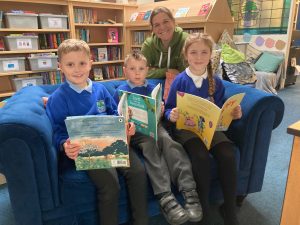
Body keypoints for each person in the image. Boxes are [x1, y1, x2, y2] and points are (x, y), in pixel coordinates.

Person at [46, 39, 148, 225]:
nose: (77, 69)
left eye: (82, 63)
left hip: (113, 142)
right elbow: (58, 132)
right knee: (110, 185)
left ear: (91, 63)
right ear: (60, 67)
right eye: (70, 64)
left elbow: (115, 114)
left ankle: (141, 221)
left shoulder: (100, 89)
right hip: (86, 150)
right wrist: (64, 145)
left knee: (138, 172)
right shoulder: (58, 98)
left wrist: (126, 126)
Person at [113, 52, 203, 225]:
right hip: (135, 133)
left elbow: (159, 114)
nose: (137, 72)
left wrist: (160, 112)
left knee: (170, 143)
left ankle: (189, 191)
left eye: (141, 69)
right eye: (132, 69)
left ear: (147, 70)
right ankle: (166, 198)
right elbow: (115, 114)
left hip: (155, 127)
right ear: (125, 71)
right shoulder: (120, 91)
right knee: (150, 147)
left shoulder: (153, 87)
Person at [164, 33, 243, 225]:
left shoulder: (215, 81)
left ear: (210, 55)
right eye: (193, 52)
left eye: (203, 52)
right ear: (186, 55)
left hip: (211, 128)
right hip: (187, 130)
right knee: (200, 158)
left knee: (228, 154)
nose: (198, 57)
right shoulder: (180, 80)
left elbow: (223, 107)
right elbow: (168, 108)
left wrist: (234, 112)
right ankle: (204, 211)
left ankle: (230, 210)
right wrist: (170, 114)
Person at [141, 6, 188, 79]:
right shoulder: (148, 44)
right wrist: (166, 71)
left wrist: (154, 71)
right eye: (157, 25)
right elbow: (140, 72)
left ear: (173, 21)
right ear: (152, 29)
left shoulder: (186, 41)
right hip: (155, 87)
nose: (162, 27)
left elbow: (187, 73)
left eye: (165, 21)